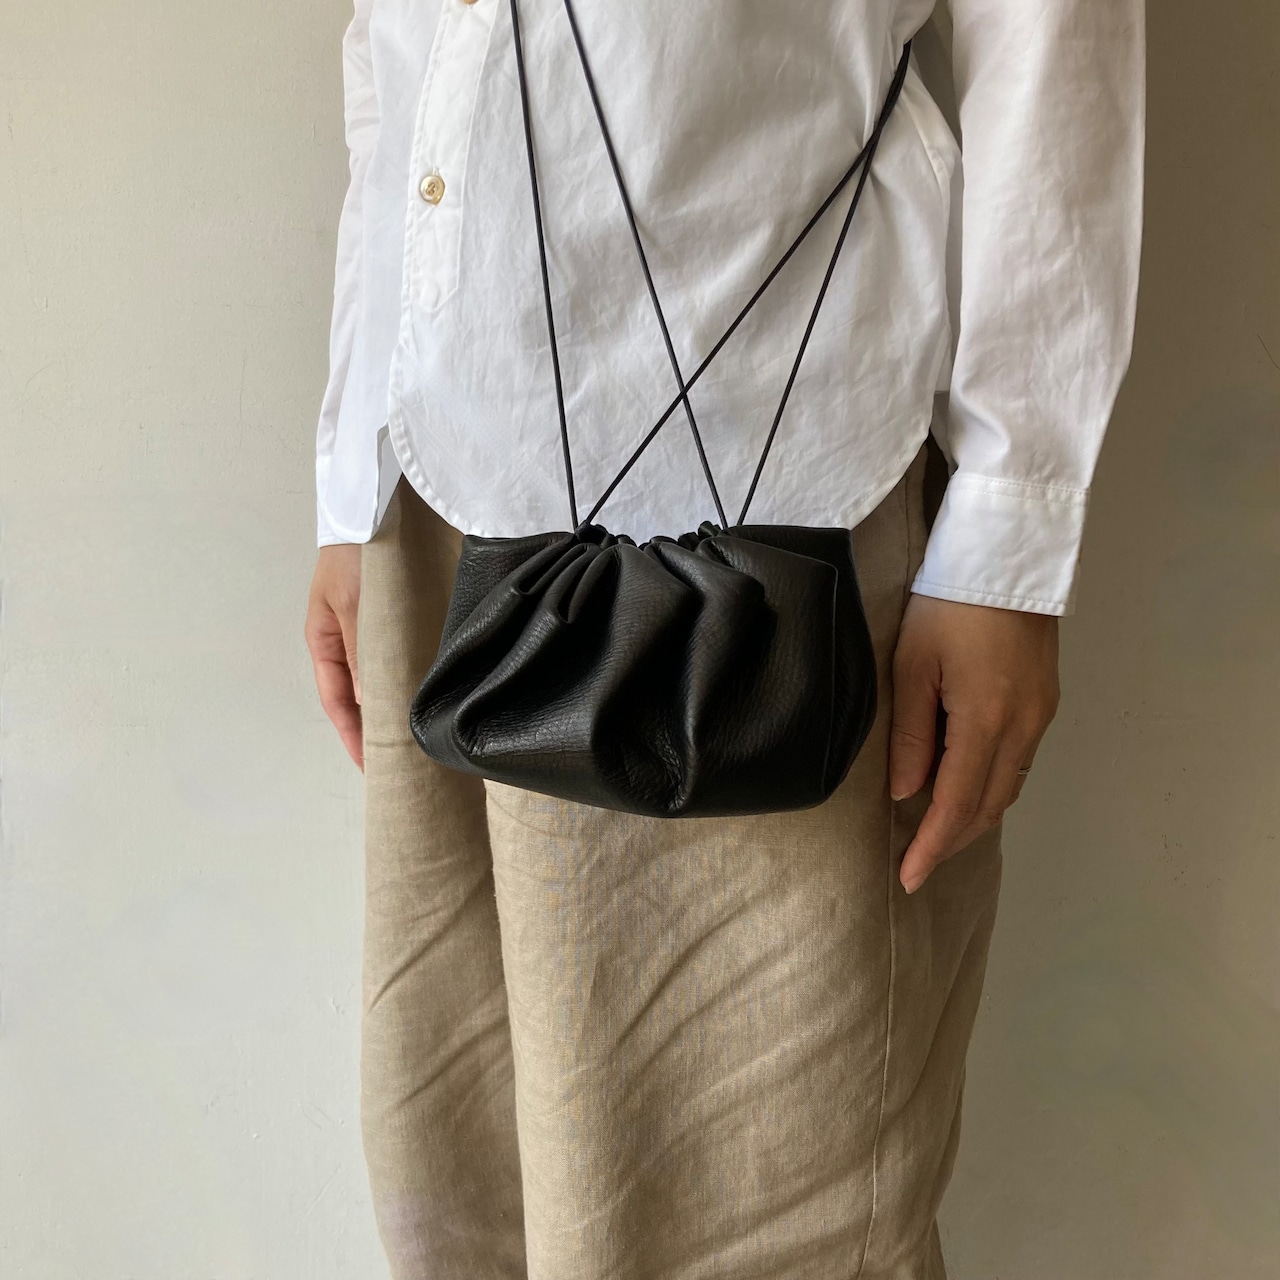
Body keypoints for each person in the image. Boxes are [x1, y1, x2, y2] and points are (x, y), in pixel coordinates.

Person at [304, 1, 1144, 1275]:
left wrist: (1007, 534)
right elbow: (394, 53)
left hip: (782, 504)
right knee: (467, 1160)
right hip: (443, 471)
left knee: (772, 1184)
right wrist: (349, 473)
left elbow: (1047, 38)